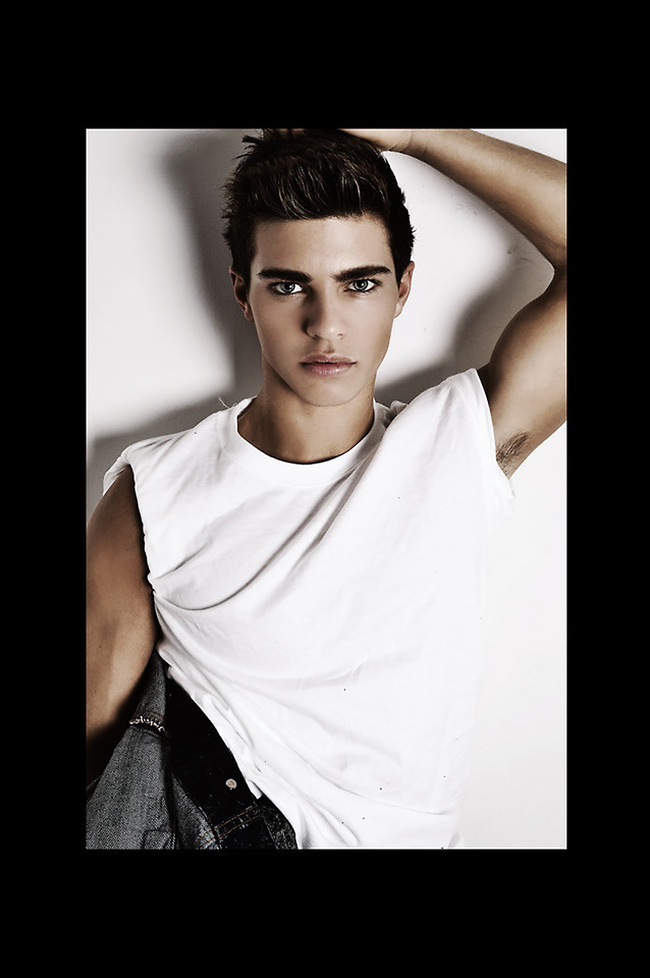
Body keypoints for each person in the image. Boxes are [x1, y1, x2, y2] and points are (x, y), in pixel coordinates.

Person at [86, 128, 566, 849]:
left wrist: (417, 135)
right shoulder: (153, 488)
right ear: (243, 292)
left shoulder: (453, 447)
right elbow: (98, 746)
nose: (325, 325)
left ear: (403, 288)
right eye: (288, 286)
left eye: (359, 283)